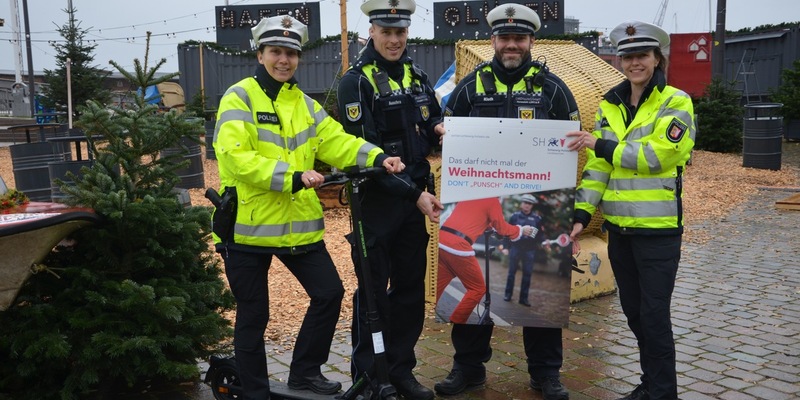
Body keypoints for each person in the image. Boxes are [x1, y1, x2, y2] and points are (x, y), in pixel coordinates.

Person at [212, 15, 405, 400]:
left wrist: (378, 156)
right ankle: (254, 392)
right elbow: (235, 157)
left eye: (291, 54)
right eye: (276, 52)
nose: (284, 60)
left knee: (328, 293)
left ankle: (303, 372)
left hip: (298, 226)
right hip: (246, 228)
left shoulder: (304, 103)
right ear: (261, 53)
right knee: (254, 315)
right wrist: (292, 176)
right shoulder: (239, 97)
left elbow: (336, 141)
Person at [434, 4, 580, 400]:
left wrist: (569, 211)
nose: (511, 45)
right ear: (494, 41)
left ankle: (545, 374)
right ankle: (467, 369)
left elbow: (574, 147)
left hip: (539, 195)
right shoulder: (469, 86)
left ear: (531, 41)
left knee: (541, 300)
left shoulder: (554, 88)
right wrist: (445, 136)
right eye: (504, 38)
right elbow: (445, 138)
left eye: (519, 38)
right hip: (478, 198)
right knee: (476, 287)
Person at [567, 20, 695, 400]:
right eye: (627, 56)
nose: (634, 62)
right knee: (636, 315)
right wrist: (580, 215)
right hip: (620, 232)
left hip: (658, 233)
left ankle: (662, 393)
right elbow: (598, 168)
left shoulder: (676, 102)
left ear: (658, 58)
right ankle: (650, 384)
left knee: (654, 317)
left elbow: (659, 155)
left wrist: (600, 146)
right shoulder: (611, 103)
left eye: (642, 55)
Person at [335, 0, 445, 399]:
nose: (395, 39)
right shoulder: (356, 82)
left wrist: (441, 128)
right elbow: (367, 155)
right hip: (378, 203)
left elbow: (431, 120)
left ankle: (400, 370)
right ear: (373, 32)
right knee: (373, 295)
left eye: (401, 32)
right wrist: (415, 195)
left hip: (415, 196)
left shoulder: (416, 75)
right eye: (387, 32)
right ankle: (368, 376)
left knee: (410, 289)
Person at [436, 197, 534, 323]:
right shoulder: (492, 200)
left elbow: (475, 217)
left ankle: (422, 313)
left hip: (442, 241)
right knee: (477, 288)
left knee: (437, 285)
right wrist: (520, 230)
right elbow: (502, 227)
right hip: (458, 247)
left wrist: (489, 227)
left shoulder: (472, 195)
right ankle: (457, 321)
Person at [501, 193, 544, 306]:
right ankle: (508, 295)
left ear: (532, 206)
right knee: (511, 273)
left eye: (529, 204)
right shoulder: (514, 216)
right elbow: (507, 233)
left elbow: (540, 235)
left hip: (529, 250)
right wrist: (506, 247)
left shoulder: (537, 218)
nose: (527, 205)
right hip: (516, 247)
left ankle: (523, 299)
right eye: (525, 203)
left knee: (527, 274)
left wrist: (545, 242)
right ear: (521, 204)